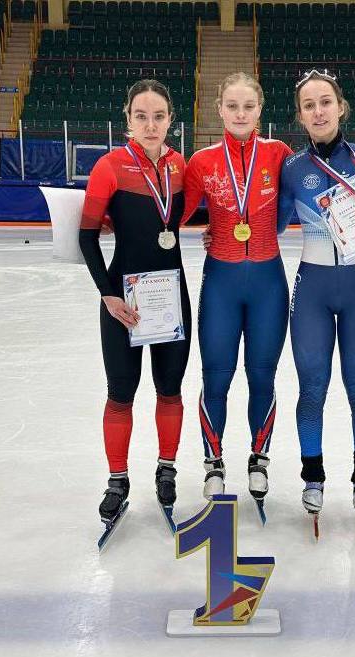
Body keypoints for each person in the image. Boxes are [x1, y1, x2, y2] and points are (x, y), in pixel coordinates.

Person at [278, 69, 355, 517]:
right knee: (311, 389)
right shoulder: (292, 167)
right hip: (312, 288)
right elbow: (273, 225)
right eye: (309, 105)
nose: (318, 111)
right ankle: (313, 478)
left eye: (325, 102)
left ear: (340, 107)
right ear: (300, 116)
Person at [79, 80, 191, 523]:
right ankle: (117, 479)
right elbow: (87, 235)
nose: (150, 124)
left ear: (170, 120)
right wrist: (107, 294)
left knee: (170, 388)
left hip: (170, 298)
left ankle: (166, 469)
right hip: (122, 301)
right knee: (120, 392)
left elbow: (193, 213)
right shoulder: (109, 166)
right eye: (141, 116)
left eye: (159, 116)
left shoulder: (180, 166)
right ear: (128, 118)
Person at [182, 72, 292, 503]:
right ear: (220, 109)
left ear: (260, 109)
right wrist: (109, 216)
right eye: (232, 106)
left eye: (248, 106)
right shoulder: (202, 161)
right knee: (216, 377)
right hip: (221, 285)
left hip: (268, 284)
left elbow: (311, 191)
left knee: (262, 375)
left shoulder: (280, 154)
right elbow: (173, 213)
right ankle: (213, 463)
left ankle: (259, 459)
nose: (240, 114)